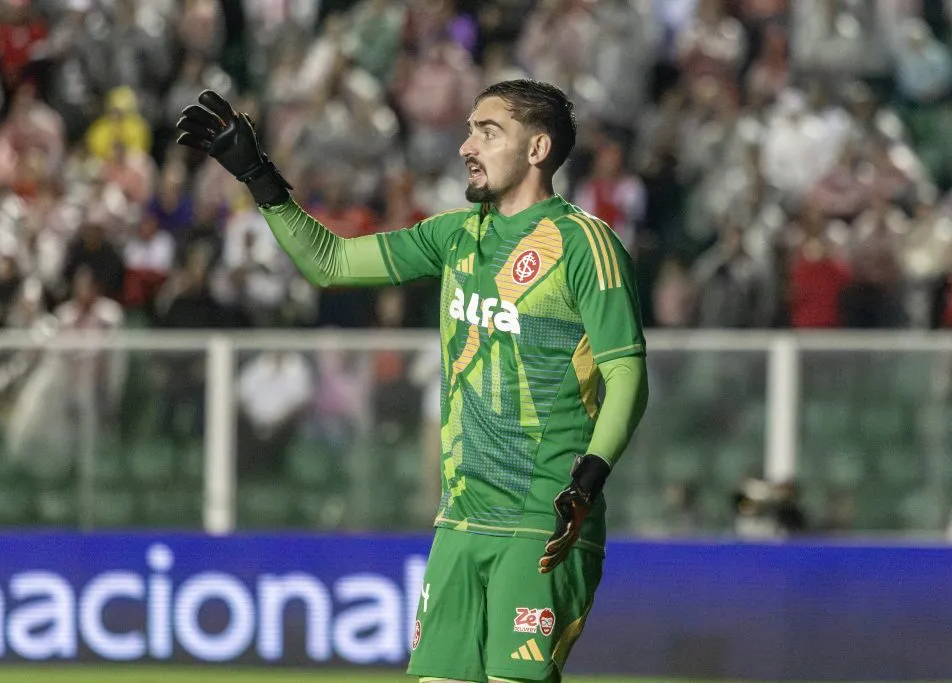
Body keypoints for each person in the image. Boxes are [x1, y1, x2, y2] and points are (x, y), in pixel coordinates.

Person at [176, 80, 649, 683]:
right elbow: (331, 262)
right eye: (469, 131)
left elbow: (626, 372)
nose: (466, 146)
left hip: (544, 518)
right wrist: (258, 177)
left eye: (488, 132)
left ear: (537, 149)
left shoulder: (585, 245)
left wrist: (587, 481)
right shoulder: (454, 235)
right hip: (459, 522)